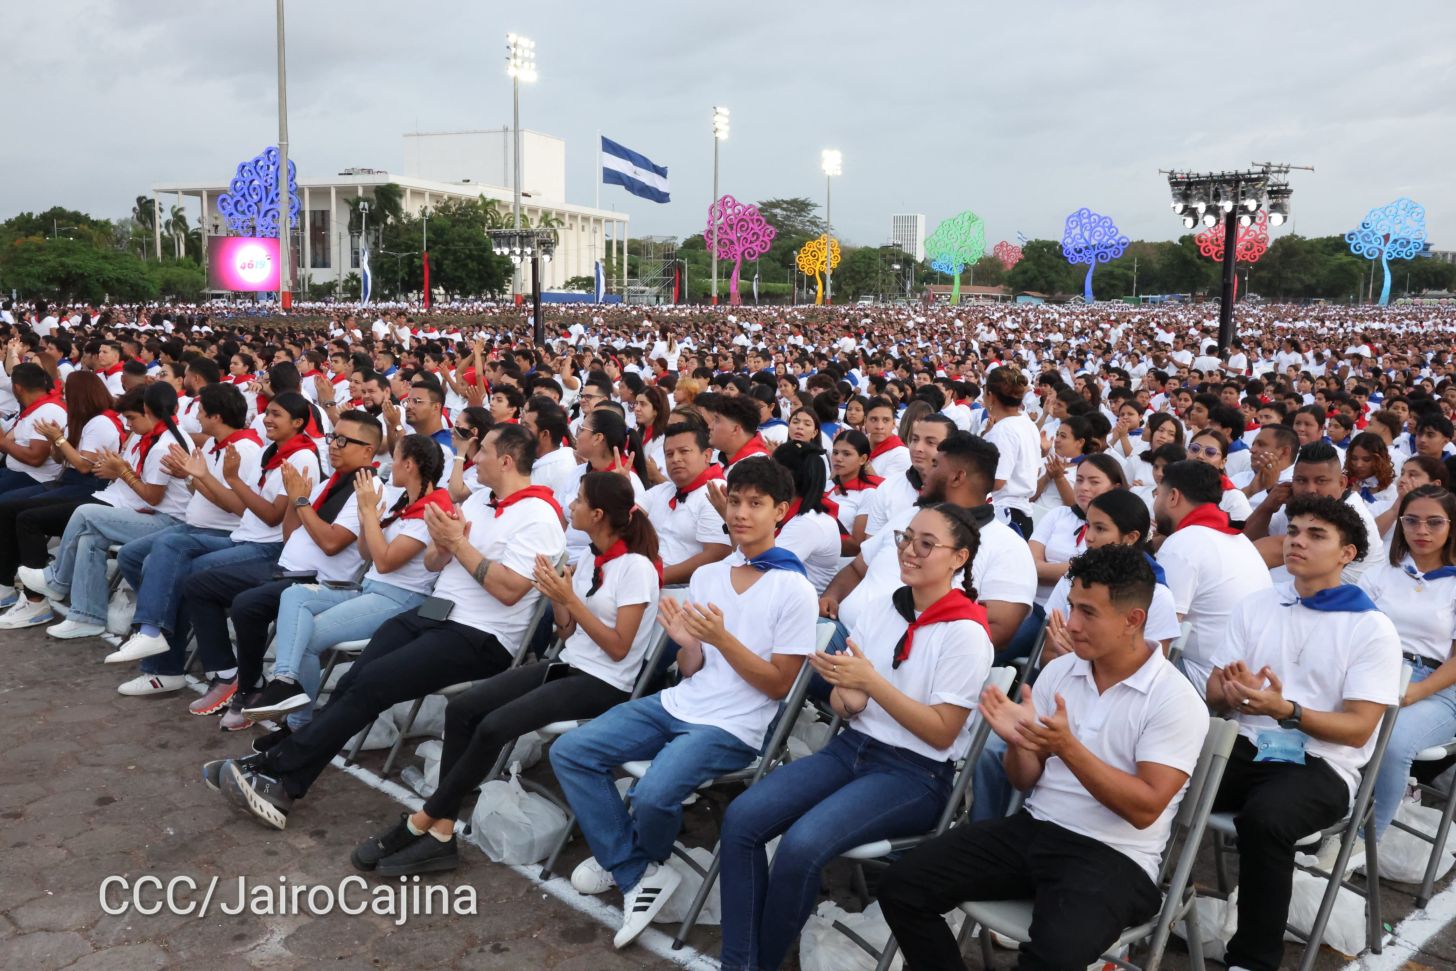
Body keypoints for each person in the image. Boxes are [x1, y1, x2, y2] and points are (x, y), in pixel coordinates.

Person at [208, 423, 566, 828]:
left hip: (481, 636)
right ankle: (284, 777)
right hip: (435, 613)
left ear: (505, 460)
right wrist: (443, 546)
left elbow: (509, 591)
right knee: (352, 682)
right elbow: (434, 563)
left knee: (372, 682)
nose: (472, 458)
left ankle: (276, 769)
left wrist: (459, 545)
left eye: (481, 451)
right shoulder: (483, 499)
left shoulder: (539, 517)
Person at [877, 543, 1209, 971]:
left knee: (1052, 958)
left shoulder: (1174, 698)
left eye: (1088, 613)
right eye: (1071, 607)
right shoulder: (1060, 671)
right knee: (902, 886)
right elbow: (1024, 780)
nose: (1070, 624)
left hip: (1116, 856)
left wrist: (1066, 747)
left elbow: (1144, 808)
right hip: (1037, 829)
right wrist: (1021, 742)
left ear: (1133, 621)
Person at [548, 458, 817, 949]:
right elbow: (694, 669)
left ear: (781, 511)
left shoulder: (795, 588)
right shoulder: (711, 575)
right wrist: (688, 645)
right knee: (571, 751)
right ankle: (636, 870)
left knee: (652, 793)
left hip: (735, 726)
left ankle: (631, 860)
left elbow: (779, 686)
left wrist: (720, 638)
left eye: (755, 504)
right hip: (682, 701)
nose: (740, 513)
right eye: (734, 501)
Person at [717, 502, 993, 971]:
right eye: (907, 538)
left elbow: (943, 733)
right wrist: (848, 694)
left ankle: (757, 963)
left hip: (915, 773)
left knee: (801, 846)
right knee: (742, 818)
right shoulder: (889, 607)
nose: (910, 550)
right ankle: (739, 962)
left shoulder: (966, 631)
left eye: (927, 544)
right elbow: (848, 704)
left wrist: (871, 685)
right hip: (853, 748)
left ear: (958, 558)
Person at [350, 471, 662, 876]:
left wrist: (570, 600)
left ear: (599, 514)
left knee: (494, 726)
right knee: (463, 709)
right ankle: (443, 831)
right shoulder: (591, 557)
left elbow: (619, 648)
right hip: (569, 665)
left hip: (605, 683)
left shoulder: (636, 568)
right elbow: (567, 633)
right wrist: (560, 602)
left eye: (580, 501)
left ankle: (421, 821)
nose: (572, 506)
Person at [1206, 495, 1401, 971]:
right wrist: (1233, 694)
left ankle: (1252, 960)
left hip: (1322, 764)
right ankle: (1126, 912)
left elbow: (1357, 730)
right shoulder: (1258, 603)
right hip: (1246, 744)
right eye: (1294, 530)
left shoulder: (1371, 628)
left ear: (1346, 554)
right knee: (1155, 778)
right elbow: (1213, 691)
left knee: (1266, 820)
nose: (1296, 541)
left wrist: (1287, 709)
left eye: (1316, 535)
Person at [177, 410, 378, 724]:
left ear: (368, 450)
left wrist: (300, 502)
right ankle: (228, 674)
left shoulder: (366, 489)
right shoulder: (331, 482)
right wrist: (298, 501)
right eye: (332, 437)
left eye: (343, 440)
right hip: (286, 566)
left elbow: (331, 543)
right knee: (199, 583)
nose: (333, 446)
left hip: (319, 581)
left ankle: (251, 687)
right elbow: (291, 535)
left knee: (247, 605)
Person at [240, 434, 451, 728]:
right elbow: (367, 551)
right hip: (371, 590)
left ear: (410, 465)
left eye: (396, 458)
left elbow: (386, 561)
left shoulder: (431, 509)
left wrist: (367, 513)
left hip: (399, 599)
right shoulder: (402, 502)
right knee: (294, 595)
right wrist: (369, 521)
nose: (391, 467)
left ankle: (298, 724)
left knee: (310, 639)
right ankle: (285, 681)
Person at [823, 431, 1035, 656]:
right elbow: (857, 568)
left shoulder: (1008, 546)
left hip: (895, 661)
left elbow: (999, 630)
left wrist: (908, 649)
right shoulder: (913, 516)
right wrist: (831, 596)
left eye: (935, 465)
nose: (924, 471)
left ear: (957, 477)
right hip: (839, 631)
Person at [15, 383, 194, 638]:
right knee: (90, 537)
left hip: (167, 522)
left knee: (86, 512)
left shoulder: (163, 444)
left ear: (147, 411)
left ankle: (57, 580)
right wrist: (118, 469)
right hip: (146, 512)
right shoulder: (150, 437)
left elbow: (153, 497)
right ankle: (87, 616)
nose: (128, 425)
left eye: (132, 418)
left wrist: (122, 471)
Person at [1358, 485, 1456, 843]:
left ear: (1451, 526)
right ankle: (1324, 819)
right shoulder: (1384, 573)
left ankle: (1363, 844)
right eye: (1412, 521)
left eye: (1434, 522)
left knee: (1393, 743)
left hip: (1438, 686)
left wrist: (1416, 691)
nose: (1422, 531)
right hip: (1377, 670)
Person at [0, 371, 118, 614]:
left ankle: (35, 599)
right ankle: (6, 584)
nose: (63, 397)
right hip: (69, 482)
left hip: (88, 488)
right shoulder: (85, 420)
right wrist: (56, 441)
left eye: (68, 393)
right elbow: (61, 459)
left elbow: (85, 466)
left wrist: (60, 440)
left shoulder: (102, 422)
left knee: (25, 516)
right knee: (9, 508)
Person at [1152, 460, 1273, 689]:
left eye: (1158, 494)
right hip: (1249, 680)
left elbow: (1160, 635)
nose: (1155, 503)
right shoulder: (1237, 539)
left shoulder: (1183, 543)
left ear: (1173, 497)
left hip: (1208, 681)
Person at [1244, 441, 1384, 585]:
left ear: (1342, 483)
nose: (1310, 489)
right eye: (1301, 480)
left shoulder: (1352, 515)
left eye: (1321, 481)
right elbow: (1247, 540)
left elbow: (1258, 552)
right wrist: (1267, 507)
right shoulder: (1304, 507)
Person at [640, 420, 732, 585]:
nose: (675, 459)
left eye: (684, 451)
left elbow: (717, 553)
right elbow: (626, 517)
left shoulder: (715, 492)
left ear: (707, 455)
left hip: (685, 593)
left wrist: (654, 578)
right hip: (650, 584)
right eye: (669, 454)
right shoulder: (664, 490)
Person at [768, 439, 842, 594]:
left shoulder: (808, 523)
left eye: (770, 469)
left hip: (809, 608)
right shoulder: (801, 513)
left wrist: (730, 524)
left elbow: (761, 569)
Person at [981, 366, 1041, 536]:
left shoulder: (1003, 431)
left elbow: (998, 481)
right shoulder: (1026, 422)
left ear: (991, 396)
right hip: (1020, 512)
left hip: (1005, 514)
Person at [0, 362, 67, 496]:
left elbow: (35, 459)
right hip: (16, 472)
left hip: (32, 478)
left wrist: (2, 441)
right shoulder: (36, 408)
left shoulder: (48, 411)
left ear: (18, 388)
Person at [1186, 428, 1254, 521]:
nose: (1200, 455)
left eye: (1210, 452)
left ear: (1223, 462)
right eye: (1194, 449)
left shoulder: (1233, 498)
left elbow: (1244, 533)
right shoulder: (1172, 485)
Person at [861, 396, 910, 481]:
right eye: (873, 419)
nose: (879, 426)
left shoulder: (902, 454)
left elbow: (889, 491)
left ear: (894, 423)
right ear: (865, 421)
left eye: (886, 420)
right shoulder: (858, 444)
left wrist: (864, 462)